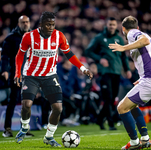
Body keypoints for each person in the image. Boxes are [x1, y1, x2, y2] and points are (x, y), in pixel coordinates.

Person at [14, 12, 93, 147]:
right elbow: (20, 55)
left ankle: (49, 136)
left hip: (50, 75)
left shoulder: (59, 36)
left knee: (57, 108)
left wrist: (82, 68)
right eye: (48, 24)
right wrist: (17, 73)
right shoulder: (29, 37)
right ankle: (25, 127)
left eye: (53, 24)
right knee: (26, 105)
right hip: (31, 75)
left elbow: (69, 54)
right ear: (40, 25)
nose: (51, 27)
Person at [108, 16, 151, 150]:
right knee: (132, 106)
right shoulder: (147, 36)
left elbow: (144, 40)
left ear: (123, 29)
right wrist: (143, 76)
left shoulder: (133, 33)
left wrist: (123, 48)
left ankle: (134, 142)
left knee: (121, 108)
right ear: (138, 26)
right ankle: (145, 139)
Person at [85, 17, 131, 130]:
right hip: (104, 72)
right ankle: (111, 123)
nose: (111, 27)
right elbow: (88, 51)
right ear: (106, 25)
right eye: (110, 24)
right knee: (108, 98)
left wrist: (127, 69)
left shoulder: (119, 39)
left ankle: (99, 119)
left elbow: (124, 56)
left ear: (117, 26)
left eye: (113, 25)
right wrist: (100, 59)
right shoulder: (99, 38)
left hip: (116, 72)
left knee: (111, 99)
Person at [1, 15, 32, 137]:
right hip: (16, 74)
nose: (25, 24)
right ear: (18, 24)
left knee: (27, 102)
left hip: (29, 74)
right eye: (23, 22)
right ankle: (7, 128)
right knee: (13, 100)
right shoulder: (11, 38)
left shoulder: (33, 37)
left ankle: (24, 128)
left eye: (27, 22)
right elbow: (4, 56)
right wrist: (4, 70)